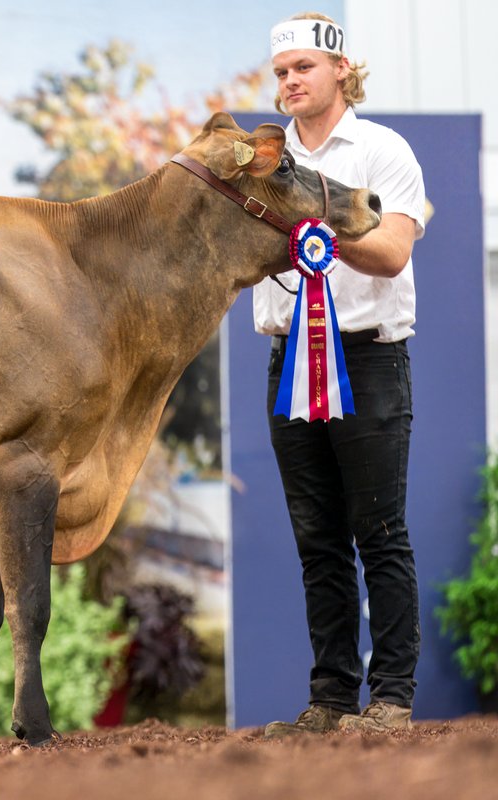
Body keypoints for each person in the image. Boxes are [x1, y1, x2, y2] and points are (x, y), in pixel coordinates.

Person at [254, 12, 426, 736]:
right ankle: (328, 702)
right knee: (316, 539)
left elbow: (391, 254)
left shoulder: (384, 150)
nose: (290, 82)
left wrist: (319, 229)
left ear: (340, 71)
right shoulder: (262, 160)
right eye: (282, 72)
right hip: (289, 359)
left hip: (369, 356)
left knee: (378, 530)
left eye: (303, 69)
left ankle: (390, 701)